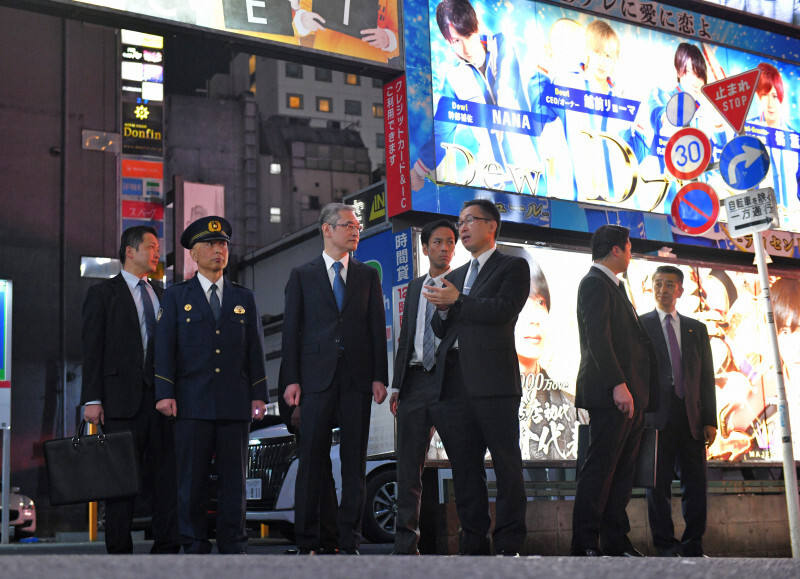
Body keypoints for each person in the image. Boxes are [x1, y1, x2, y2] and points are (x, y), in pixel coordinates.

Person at [154, 216, 268, 554]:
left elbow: (255, 350)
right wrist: (164, 393)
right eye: (210, 245)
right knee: (192, 482)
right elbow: (163, 350)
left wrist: (259, 394)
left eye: (223, 245)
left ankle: (234, 543)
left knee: (235, 482)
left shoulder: (243, 297)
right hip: (191, 403)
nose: (218, 250)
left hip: (234, 404)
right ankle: (194, 543)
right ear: (193, 253)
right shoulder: (176, 297)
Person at [424, 199, 530, 556]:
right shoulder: (452, 276)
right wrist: (441, 310)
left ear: (491, 226)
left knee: (506, 466)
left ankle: (509, 543)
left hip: (494, 383)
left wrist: (459, 301)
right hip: (454, 386)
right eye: (460, 221)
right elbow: (443, 330)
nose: (463, 228)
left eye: (470, 220)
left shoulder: (512, 266)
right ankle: (473, 545)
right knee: (466, 473)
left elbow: (503, 311)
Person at [282, 202, 388, 555]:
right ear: (326, 229)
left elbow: (376, 329)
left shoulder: (367, 275)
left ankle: (349, 540)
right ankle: (307, 540)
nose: (355, 230)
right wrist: (291, 380)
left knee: (354, 464)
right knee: (311, 461)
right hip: (314, 379)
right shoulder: (302, 274)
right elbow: (292, 332)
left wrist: (379, 377)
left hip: (357, 379)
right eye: (347, 225)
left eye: (357, 226)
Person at [81, 225, 180, 554]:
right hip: (121, 403)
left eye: (157, 248)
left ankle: (165, 547)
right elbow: (91, 350)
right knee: (121, 482)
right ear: (129, 252)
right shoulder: (103, 295)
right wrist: (92, 399)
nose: (156, 253)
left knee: (167, 477)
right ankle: (120, 554)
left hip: (162, 402)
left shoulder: (163, 294)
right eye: (151, 247)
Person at [570, 224, 656, 557]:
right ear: (616, 249)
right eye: (630, 247)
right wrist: (618, 384)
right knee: (599, 471)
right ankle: (585, 543)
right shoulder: (594, 283)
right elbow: (598, 340)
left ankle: (616, 541)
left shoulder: (614, 285)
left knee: (621, 474)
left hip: (631, 396)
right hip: (612, 395)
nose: (632, 253)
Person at [410, 0, 543, 193]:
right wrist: (417, 171)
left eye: (469, 36)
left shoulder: (503, 45)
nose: (466, 48)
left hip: (531, 173)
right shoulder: (454, 78)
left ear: (477, 26)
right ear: (447, 41)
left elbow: (506, 84)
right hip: (491, 180)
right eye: (456, 41)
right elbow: (441, 133)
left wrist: (499, 115)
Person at [389, 219, 458, 555]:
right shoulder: (415, 287)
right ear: (425, 247)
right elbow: (407, 339)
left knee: (464, 462)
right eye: (438, 242)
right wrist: (397, 386)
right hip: (415, 382)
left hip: (450, 383)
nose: (444, 248)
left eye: (449, 242)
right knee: (408, 468)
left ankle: (471, 542)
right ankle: (405, 547)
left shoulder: (462, 284)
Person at [640, 265, 717, 557]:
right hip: (655, 418)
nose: (663, 290)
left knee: (695, 485)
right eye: (658, 284)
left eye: (669, 284)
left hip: (692, 419)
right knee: (656, 487)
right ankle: (665, 547)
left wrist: (710, 419)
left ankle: (693, 544)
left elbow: (706, 377)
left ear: (680, 291)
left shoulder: (696, 329)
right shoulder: (640, 325)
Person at [514, 255, 583, 461]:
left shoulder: (573, 406)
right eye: (521, 303)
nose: (534, 318)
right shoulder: (470, 399)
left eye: (540, 302)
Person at [746, 62, 800, 231]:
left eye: (774, 96)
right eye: (764, 95)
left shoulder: (794, 138)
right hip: (761, 225)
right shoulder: (747, 132)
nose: (770, 103)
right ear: (757, 96)